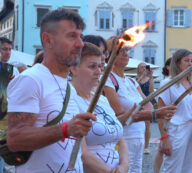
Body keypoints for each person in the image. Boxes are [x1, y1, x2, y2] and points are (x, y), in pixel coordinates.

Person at [6, 9, 96, 172]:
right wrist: (65, 129)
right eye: (71, 36)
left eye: (80, 37)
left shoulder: (68, 86)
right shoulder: (30, 80)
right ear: (48, 40)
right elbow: (14, 139)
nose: (80, 44)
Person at [104, 37, 177, 173]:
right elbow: (120, 115)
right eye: (121, 51)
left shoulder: (132, 82)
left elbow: (149, 105)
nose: (126, 53)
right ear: (110, 55)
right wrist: (154, 113)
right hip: (122, 140)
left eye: (127, 49)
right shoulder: (108, 80)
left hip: (139, 137)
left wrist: (145, 112)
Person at [70, 42, 130, 172]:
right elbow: (82, 153)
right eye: (92, 67)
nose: (99, 72)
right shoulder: (69, 100)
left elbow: (120, 139)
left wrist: (124, 165)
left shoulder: (102, 100)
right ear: (74, 68)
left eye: (100, 67)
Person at [154, 57, 171, 173]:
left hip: (170, 116)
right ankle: (156, 171)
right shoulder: (165, 81)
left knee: (160, 149)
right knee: (161, 148)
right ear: (167, 67)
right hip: (167, 118)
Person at [136, 62, 154, 155]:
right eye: (142, 67)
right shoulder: (135, 79)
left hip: (147, 102)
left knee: (147, 124)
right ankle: (139, 144)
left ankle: (146, 146)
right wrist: (141, 76)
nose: (144, 69)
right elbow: (135, 87)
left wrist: (150, 77)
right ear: (138, 69)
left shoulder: (149, 78)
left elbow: (151, 90)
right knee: (138, 124)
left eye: (145, 67)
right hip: (138, 102)